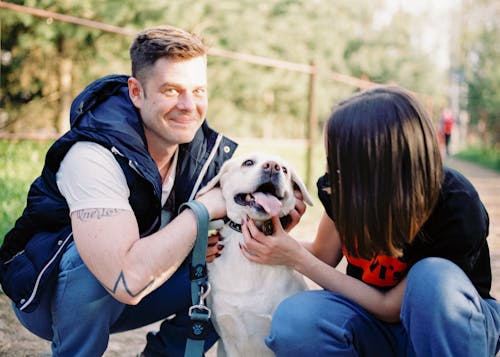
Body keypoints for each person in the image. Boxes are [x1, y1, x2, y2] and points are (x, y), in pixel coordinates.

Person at [0, 25, 306, 356]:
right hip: (53, 298)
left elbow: (228, 231)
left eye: (199, 91)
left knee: (220, 265)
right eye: (172, 91)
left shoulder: (206, 155)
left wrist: (266, 223)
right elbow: (125, 279)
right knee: (91, 264)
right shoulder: (93, 156)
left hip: (144, 282)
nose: (189, 106)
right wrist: (202, 210)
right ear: (136, 92)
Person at [239, 86, 500, 356]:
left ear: (378, 167)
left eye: (338, 162)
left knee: (430, 280)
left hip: (446, 329)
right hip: (374, 325)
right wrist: (269, 238)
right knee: (297, 319)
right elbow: (321, 254)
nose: (329, 172)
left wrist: (296, 258)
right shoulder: (341, 187)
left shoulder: (454, 204)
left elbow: (389, 307)